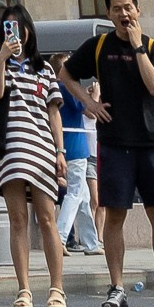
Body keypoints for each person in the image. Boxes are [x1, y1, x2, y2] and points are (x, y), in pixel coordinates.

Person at [64, 0, 154, 307]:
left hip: (149, 141)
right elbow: (66, 73)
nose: (124, 13)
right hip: (114, 142)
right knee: (114, 214)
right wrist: (89, 102)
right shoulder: (98, 46)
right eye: (117, 8)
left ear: (138, 10)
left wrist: (136, 48)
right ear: (108, 14)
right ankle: (116, 287)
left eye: (128, 7)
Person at [0, 5, 67, 307]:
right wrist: (3, 59)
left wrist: (61, 152)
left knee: (47, 218)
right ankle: (24, 290)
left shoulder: (44, 68)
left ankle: (57, 289)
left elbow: (53, 112)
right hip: (9, 149)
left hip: (42, 147)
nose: (13, 33)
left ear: (28, 32)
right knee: (17, 219)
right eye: (7, 28)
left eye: (18, 27)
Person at [52, 59, 101, 257]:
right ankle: (59, 237)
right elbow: (91, 112)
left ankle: (90, 243)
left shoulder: (55, 88)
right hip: (76, 147)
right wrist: (94, 95)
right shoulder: (68, 87)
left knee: (84, 198)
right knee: (74, 194)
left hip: (65, 146)